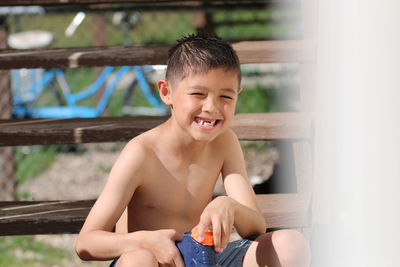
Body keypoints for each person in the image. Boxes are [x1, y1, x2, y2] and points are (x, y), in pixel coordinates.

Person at [75, 32, 310, 267]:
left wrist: (229, 206)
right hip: (153, 260)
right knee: (138, 260)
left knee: (288, 244)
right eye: (198, 94)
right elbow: (86, 242)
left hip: (204, 258)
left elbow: (255, 227)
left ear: (237, 95)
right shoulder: (141, 153)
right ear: (166, 92)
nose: (211, 107)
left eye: (225, 96)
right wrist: (146, 240)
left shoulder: (225, 142)